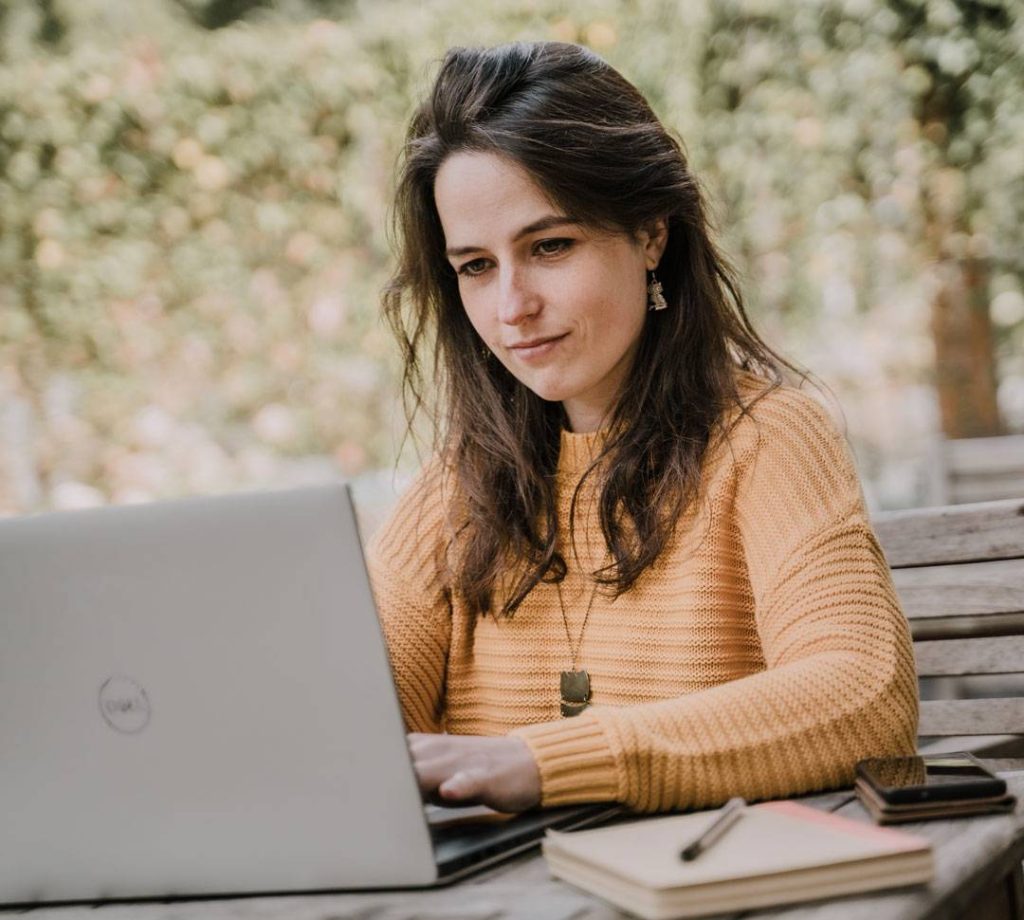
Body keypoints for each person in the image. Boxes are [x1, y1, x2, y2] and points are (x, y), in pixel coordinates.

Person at [368, 41, 918, 815]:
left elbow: (863, 695)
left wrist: (546, 760)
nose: (510, 306)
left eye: (550, 246)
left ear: (651, 235)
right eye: (476, 267)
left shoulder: (769, 440)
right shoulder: (452, 489)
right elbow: (344, 724)